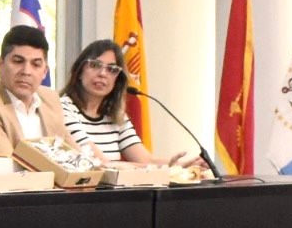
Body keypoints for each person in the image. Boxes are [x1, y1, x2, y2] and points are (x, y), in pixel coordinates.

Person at [59, 40, 193, 166]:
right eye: (95, 65)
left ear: (117, 80)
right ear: (79, 72)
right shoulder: (62, 108)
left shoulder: (114, 114)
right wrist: (140, 168)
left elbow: (146, 160)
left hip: (115, 184)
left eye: (112, 69)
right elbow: (99, 163)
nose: (102, 73)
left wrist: (182, 166)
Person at [0, 24, 72, 157]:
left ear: (44, 72)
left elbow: (74, 156)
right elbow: (7, 163)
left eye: (36, 64)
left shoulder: (51, 98)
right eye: (18, 61)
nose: (26, 71)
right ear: (0, 64)